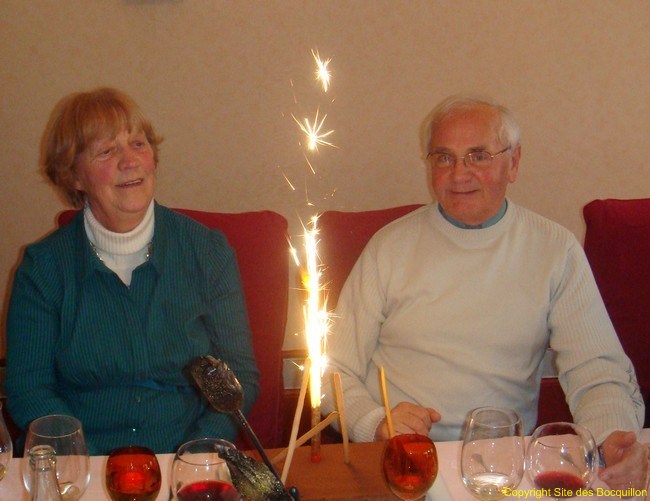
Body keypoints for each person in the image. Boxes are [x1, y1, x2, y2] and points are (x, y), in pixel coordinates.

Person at [322, 95, 647, 490]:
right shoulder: (388, 247)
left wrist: (611, 439)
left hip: (501, 467)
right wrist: (375, 422)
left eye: (478, 156)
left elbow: (598, 371)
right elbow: (331, 371)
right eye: (444, 157)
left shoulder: (554, 250)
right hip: (400, 461)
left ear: (514, 163)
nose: (459, 175)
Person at [5, 87, 260, 455]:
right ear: (74, 175)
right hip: (81, 464)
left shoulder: (207, 252)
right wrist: (83, 459)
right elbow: (29, 390)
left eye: (138, 144)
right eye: (106, 151)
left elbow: (240, 376)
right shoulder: (43, 269)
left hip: (189, 460)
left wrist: (197, 452)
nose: (130, 162)